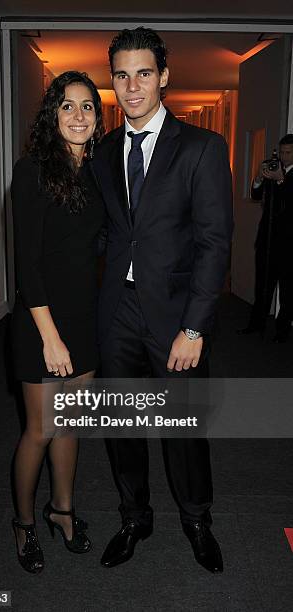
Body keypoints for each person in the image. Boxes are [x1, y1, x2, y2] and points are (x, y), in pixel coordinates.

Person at [91, 28, 233, 573]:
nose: (131, 86)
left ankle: (197, 520)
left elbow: (214, 244)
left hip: (176, 316)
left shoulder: (201, 147)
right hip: (116, 314)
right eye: (122, 74)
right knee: (122, 426)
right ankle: (134, 517)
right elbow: (109, 233)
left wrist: (194, 328)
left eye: (143, 73)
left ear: (164, 77)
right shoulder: (104, 152)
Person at [10, 71, 105, 573]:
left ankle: (62, 511)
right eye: (67, 106)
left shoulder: (97, 172)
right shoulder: (31, 171)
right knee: (41, 430)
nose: (78, 116)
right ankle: (23, 523)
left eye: (87, 106)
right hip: (41, 321)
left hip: (84, 317)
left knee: (72, 425)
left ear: (97, 115)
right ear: (52, 114)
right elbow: (27, 265)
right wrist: (51, 338)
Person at [237, 134, 293, 342]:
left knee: (287, 292)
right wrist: (260, 179)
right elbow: (256, 196)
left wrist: (281, 179)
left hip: (288, 245)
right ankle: (255, 324)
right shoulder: (272, 171)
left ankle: (282, 332)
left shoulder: (286, 176)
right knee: (261, 287)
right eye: (283, 152)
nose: (284, 157)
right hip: (267, 240)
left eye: (289, 153)